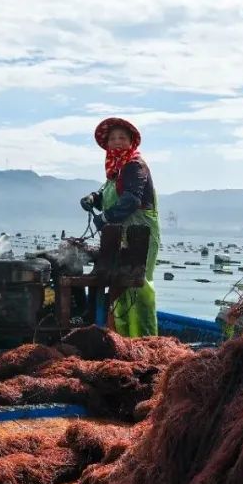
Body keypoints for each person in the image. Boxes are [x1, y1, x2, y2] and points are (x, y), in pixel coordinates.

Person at [80, 117, 160, 337]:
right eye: (113, 138)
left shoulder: (135, 166)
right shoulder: (115, 170)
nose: (116, 142)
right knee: (120, 289)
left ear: (131, 141)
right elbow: (106, 193)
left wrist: (104, 217)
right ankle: (124, 340)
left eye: (122, 138)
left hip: (141, 235)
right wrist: (92, 198)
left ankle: (146, 341)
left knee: (138, 285)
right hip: (120, 236)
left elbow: (131, 200)